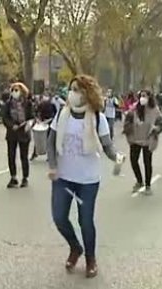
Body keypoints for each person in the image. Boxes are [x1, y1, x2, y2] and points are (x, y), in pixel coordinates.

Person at [46, 75, 122, 278]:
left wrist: (117, 157)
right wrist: (52, 166)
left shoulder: (98, 118)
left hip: (87, 180)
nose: (72, 93)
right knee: (59, 217)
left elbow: (107, 145)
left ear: (87, 94)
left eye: (78, 90)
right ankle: (75, 247)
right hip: (63, 177)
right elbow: (51, 142)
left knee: (85, 220)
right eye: (71, 89)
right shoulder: (62, 116)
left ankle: (90, 258)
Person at [123, 90, 162, 194]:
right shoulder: (134, 108)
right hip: (136, 139)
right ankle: (139, 181)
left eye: (144, 96)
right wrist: (128, 129)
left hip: (148, 139)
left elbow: (160, 123)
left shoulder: (155, 110)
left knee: (147, 162)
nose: (142, 98)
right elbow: (127, 121)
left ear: (149, 97)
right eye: (140, 96)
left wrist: (156, 129)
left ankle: (148, 185)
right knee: (133, 160)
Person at [1, 83, 33, 188]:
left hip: (23, 132)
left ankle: (25, 178)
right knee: (11, 156)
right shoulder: (8, 104)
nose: (14, 92)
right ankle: (13, 177)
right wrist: (11, 125)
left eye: (17, 90)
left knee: (24, 156)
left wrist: (28, 124)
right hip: (12, 133)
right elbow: (4, 117)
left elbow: (32, 117)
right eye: (13, 90)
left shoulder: (27, 104)